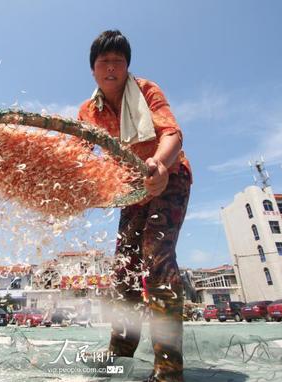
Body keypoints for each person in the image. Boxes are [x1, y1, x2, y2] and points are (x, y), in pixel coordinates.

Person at [77, 30, 192, 382]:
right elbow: (79, 158)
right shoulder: (87, 112)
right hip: (132, 192)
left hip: (168, 179)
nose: (111, 67)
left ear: (127, 67)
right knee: (125, 269)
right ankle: (121, 349)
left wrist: (158, 163)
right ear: (93, 70)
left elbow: (172, 133)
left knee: (157, 261)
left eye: (118, 61)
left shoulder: (146, 90)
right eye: (104, 62)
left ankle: (168, 367)